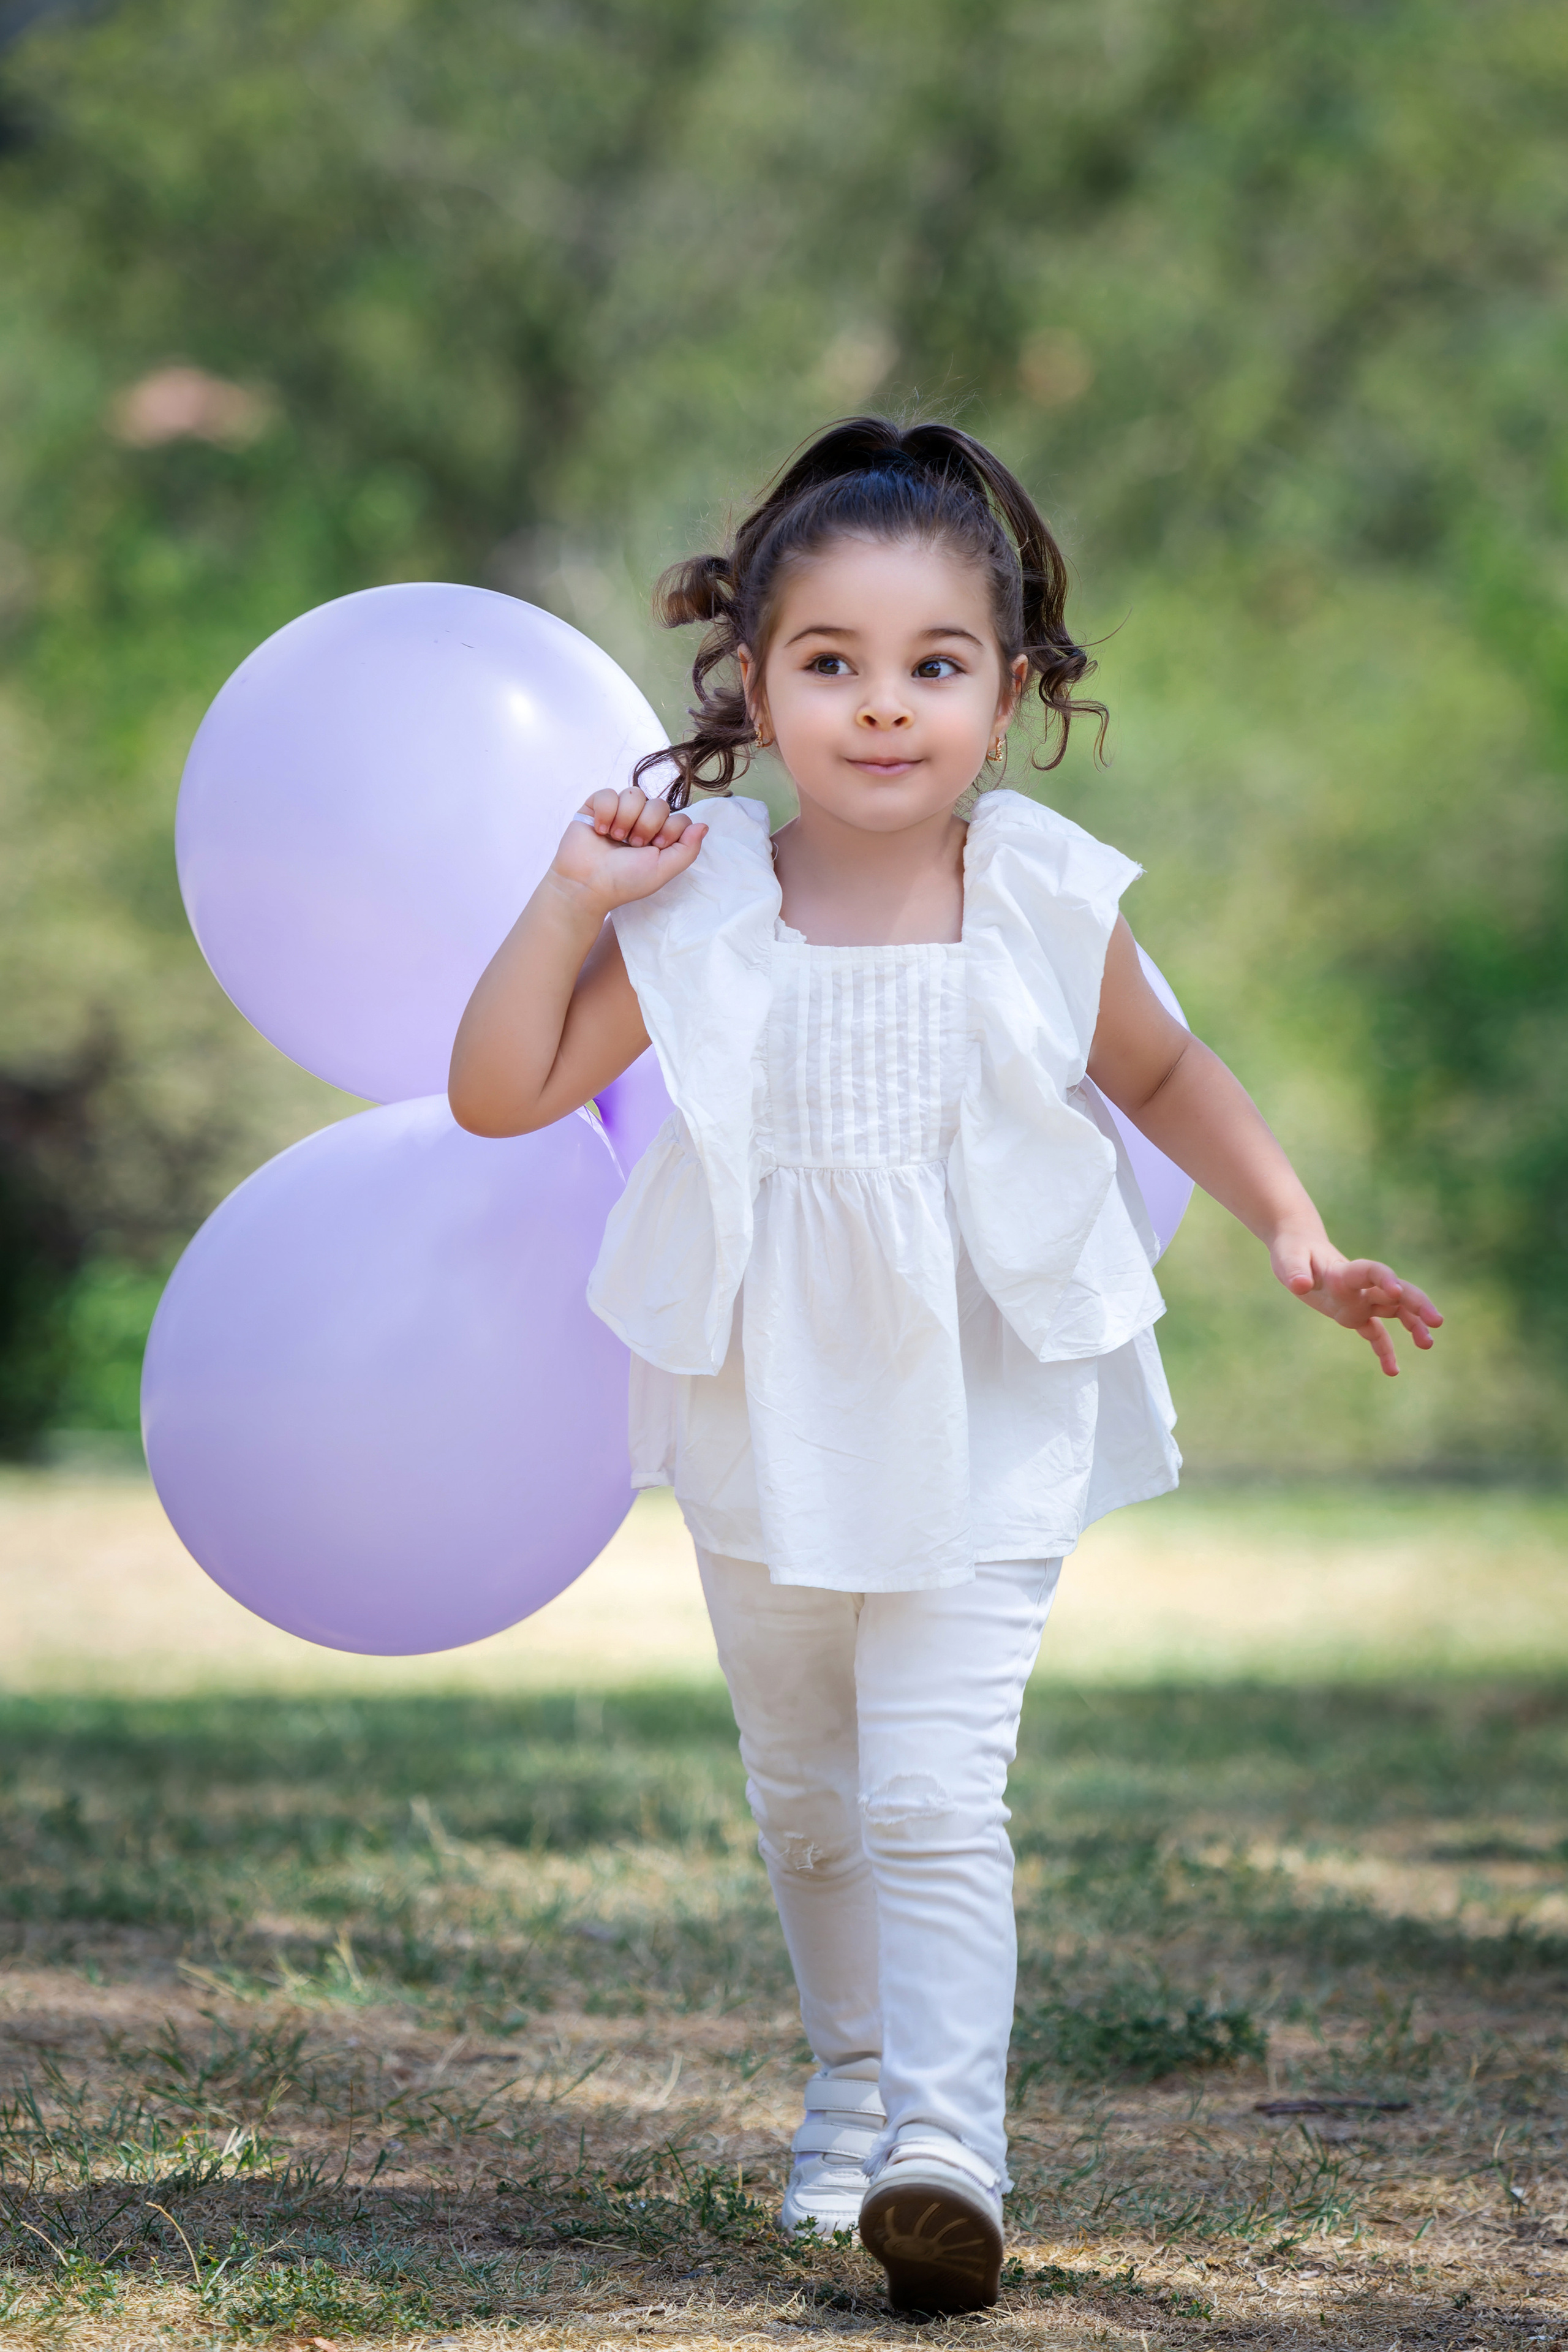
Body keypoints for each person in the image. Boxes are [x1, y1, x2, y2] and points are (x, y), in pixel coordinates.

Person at [448, 417, 1442, 2315]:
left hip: (989, 1392)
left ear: (1010, 691)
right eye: (832, 662)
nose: (885, 705)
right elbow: (501, 1092)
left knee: (930, 1788)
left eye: (937, 664)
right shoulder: (701, 899)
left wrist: (1294, 1229)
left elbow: (1164, 1069)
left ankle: (942, 2150)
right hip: (762, 1393)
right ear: (755, 686)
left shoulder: (1045, 892)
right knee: (806, 1787)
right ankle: (847, 2091)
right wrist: (572, 896)